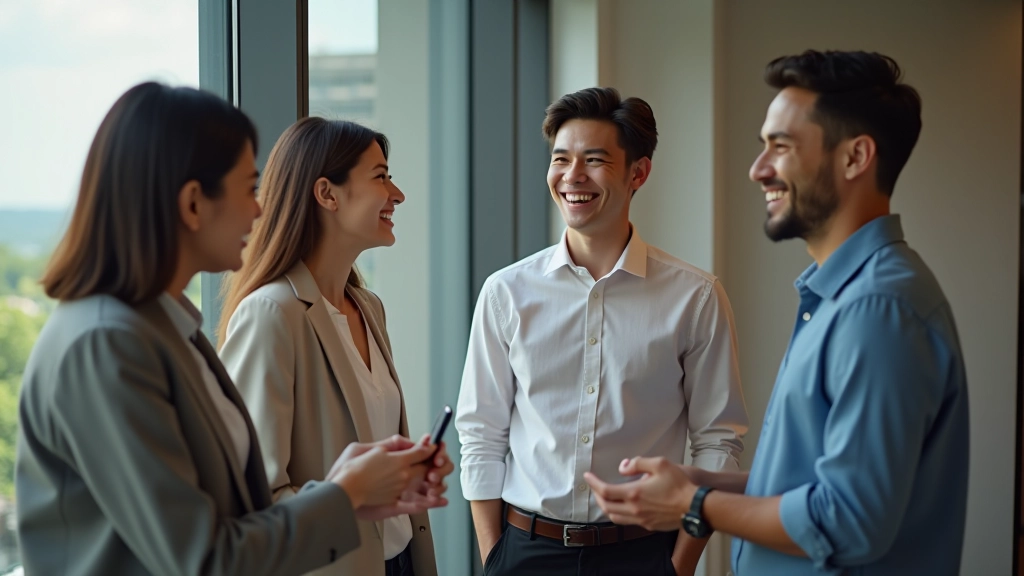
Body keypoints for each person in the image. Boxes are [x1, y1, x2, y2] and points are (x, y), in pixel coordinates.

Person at [15, 82, 450, 576]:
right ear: (194, 203)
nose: (261, 208)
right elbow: (204, 558)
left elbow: (232, 514)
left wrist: (357, 491)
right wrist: (346, 493)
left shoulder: (168, 332)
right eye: (249, 188)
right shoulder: (106, 346)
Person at [585, 50, 970, 576]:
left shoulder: (878, 309)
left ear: (855, 157)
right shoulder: (841, 297)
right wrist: (700, 483)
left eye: (780, 147)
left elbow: (849, 521)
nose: (757, 168)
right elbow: (817, 487)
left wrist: (692, 507)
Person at [455, 87, 749, 576]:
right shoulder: (506, 292)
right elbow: (481, 433)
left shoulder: (694, 297)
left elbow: (718, 442)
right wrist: (494, 558)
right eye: (560, 159)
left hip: (644, 554)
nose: (572, 177)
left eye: (593, 160)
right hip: (526, 551)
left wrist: (678, 566)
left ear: (638, 172)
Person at [217, 117, 450, 576]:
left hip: (401, 561)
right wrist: (353, 493)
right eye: (381, 176)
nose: (397, 194)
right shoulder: (272, 314)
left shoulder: (368, 308)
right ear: (327, 194)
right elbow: (252, 500)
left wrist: (403, 476)